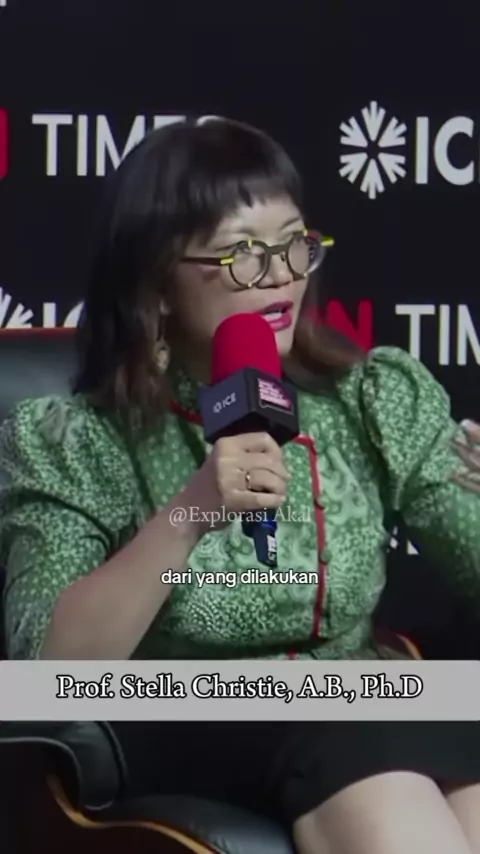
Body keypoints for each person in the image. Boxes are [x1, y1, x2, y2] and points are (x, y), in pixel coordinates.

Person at [0, 117, 480, 854]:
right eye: (241, 255)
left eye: (293, 245)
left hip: (359, 698)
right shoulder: (75, 440)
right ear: (158, 283)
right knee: (367, 750)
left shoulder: (370, 399)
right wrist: (192, 510)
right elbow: (50, 669)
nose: (282, 275)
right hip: (187, 716)